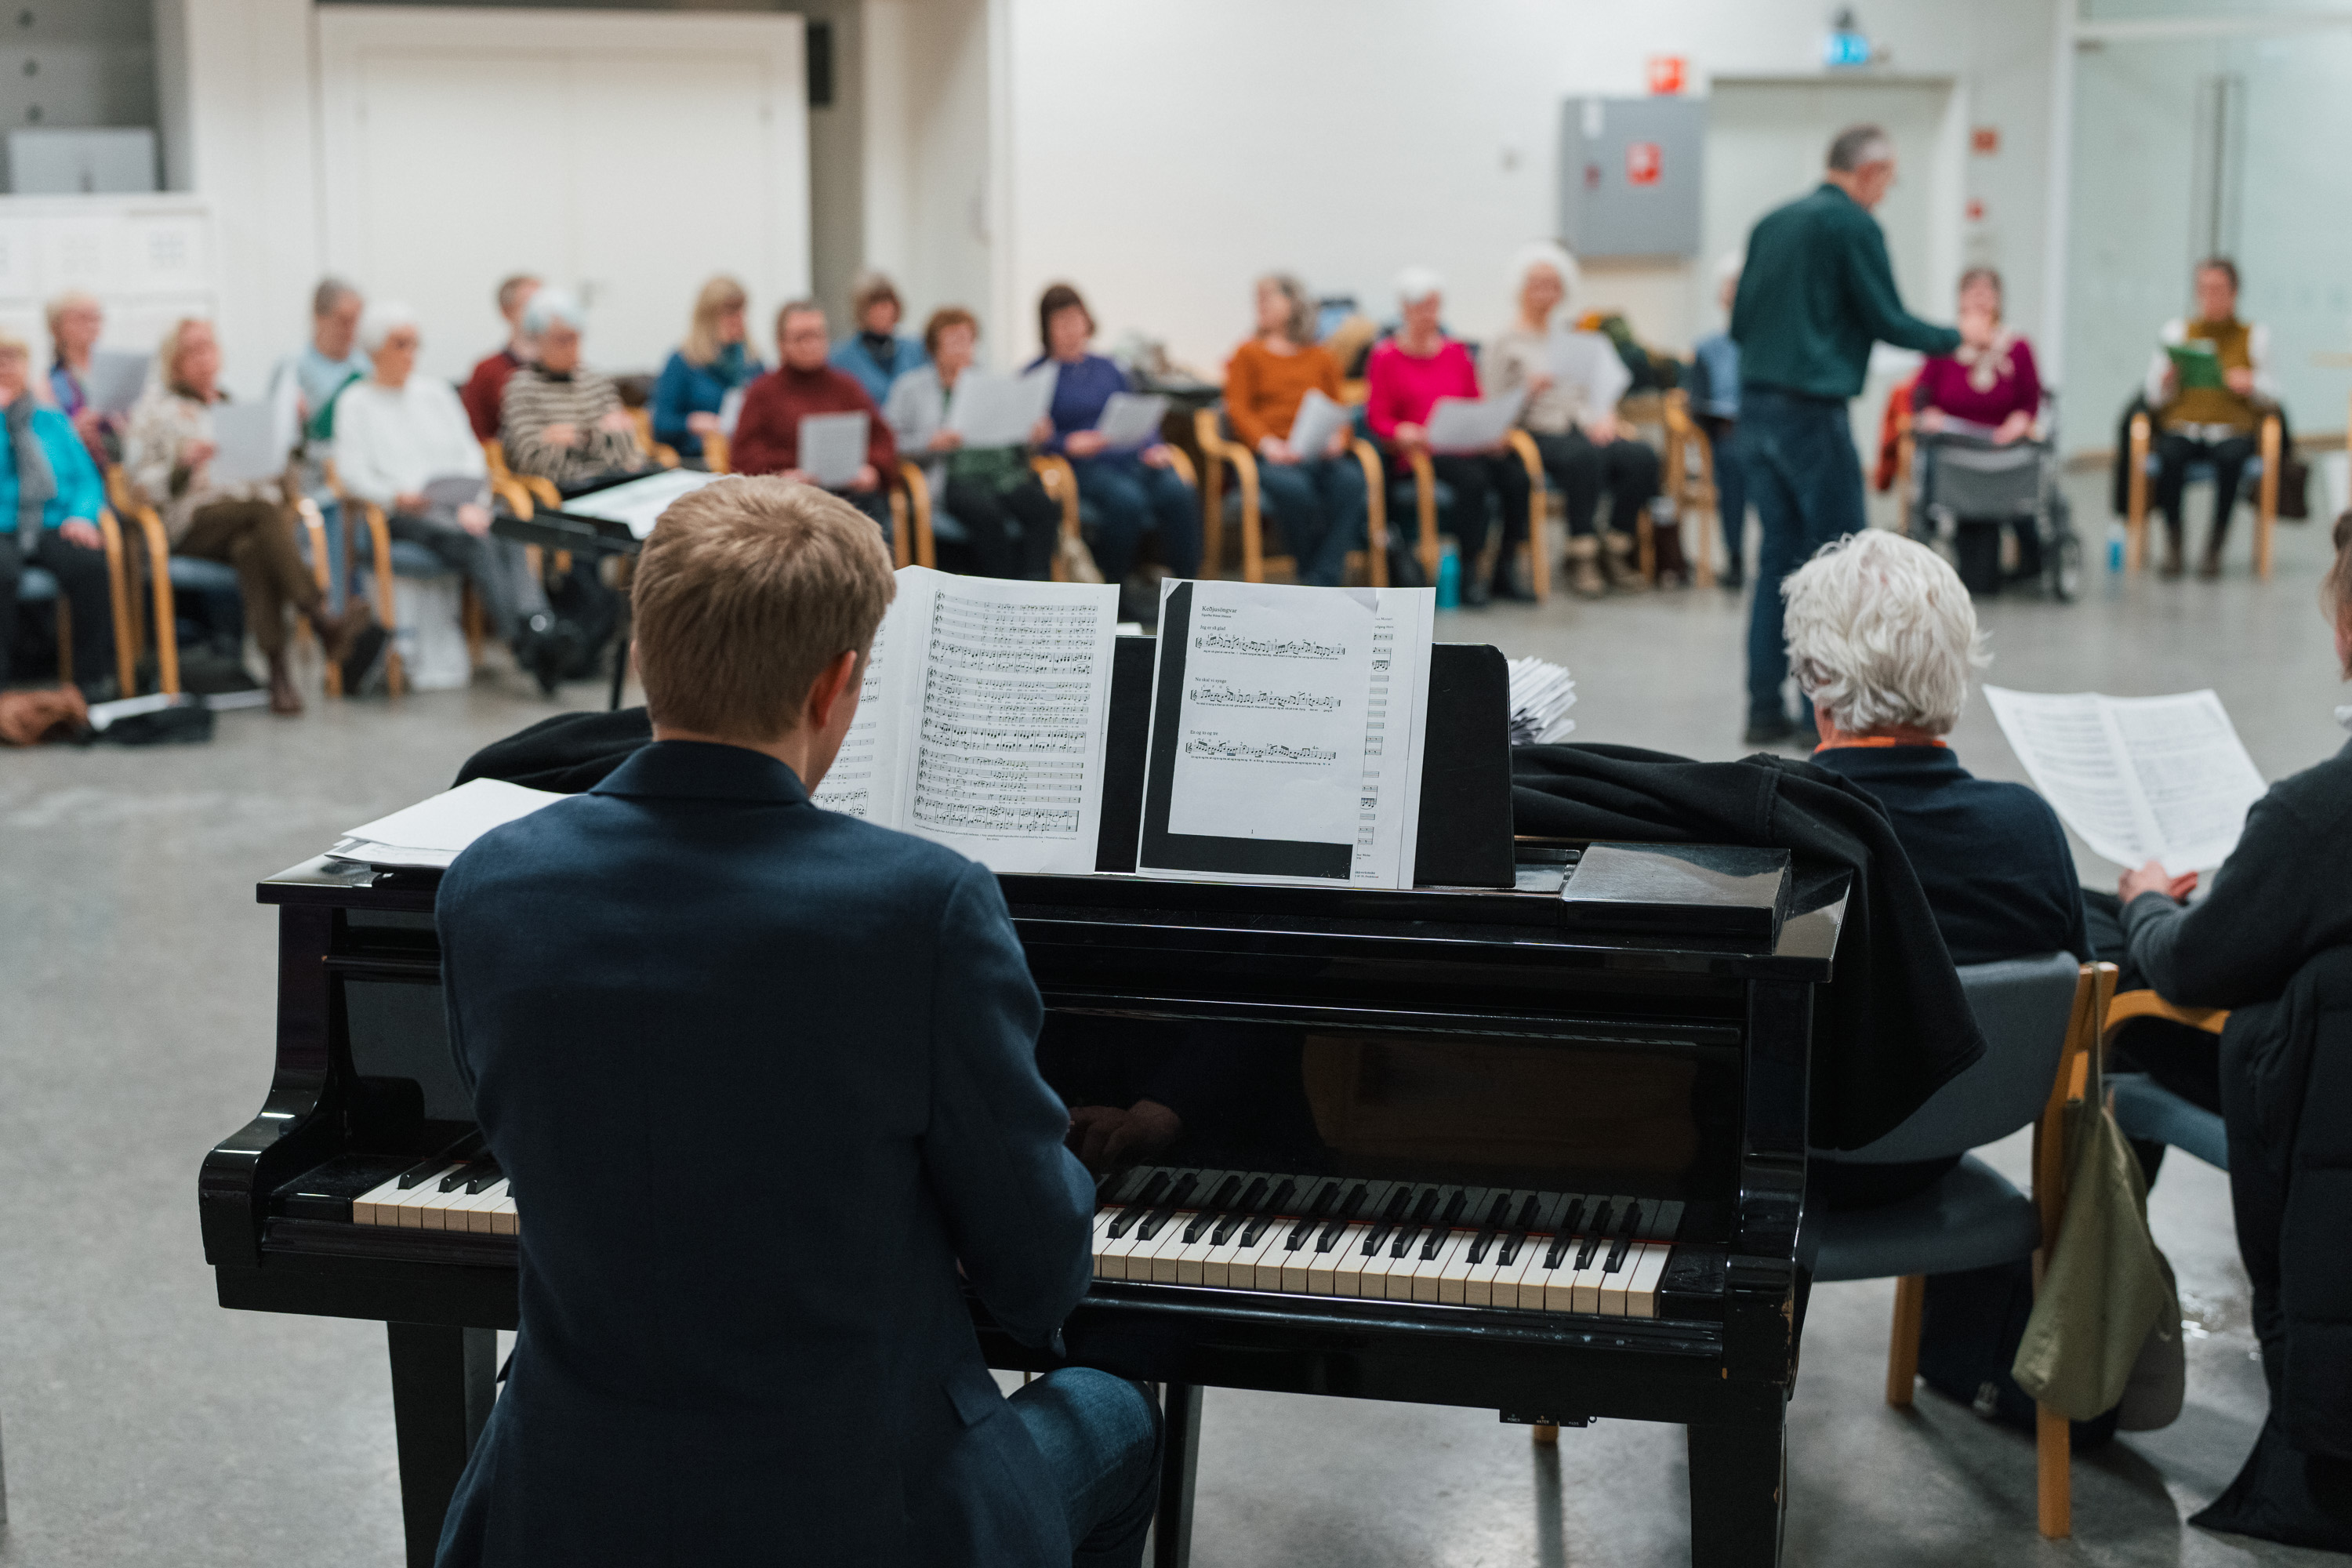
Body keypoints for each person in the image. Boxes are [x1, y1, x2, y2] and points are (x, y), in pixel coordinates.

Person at [431, 477, 1162, 1566]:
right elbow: (1037, 1273)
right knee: (1115, 1410)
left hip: (572, 1501)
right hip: (864, 1515)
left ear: (640, 654)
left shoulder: (489, 887)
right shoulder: (924, 907)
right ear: (837, 686)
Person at [2100, 513, 2352, 1548]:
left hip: (2313, 1086)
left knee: (2122, 1018)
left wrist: (2150, 902)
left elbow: (2194, 967)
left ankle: (2077, 1370)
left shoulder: (2312, 820)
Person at [1781, 529, 2092, 1207]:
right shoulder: (2027, 830)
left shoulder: (1773, 838)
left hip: (1791, 1174)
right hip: (1945, 1158)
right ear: (1955, 669)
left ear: (1815, 681)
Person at [1733, 123, 1960, 746]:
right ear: (1871, 172)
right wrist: (1957, 340)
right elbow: (1887, 317)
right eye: (1888, 180)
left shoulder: (1770, 222)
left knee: (1776, 558)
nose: (1886, 193)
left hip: (1755, 410)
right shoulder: (1855, 225)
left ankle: (1761, 707)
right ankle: (1824, 721)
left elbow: (1740, 321)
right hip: (1813, 413)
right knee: (1840, 566)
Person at [123, 318, 383, 713]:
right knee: (263, 515)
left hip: (245, 520)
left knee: (254, 547)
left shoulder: (234, 407)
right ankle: (320, 615)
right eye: (192, 350)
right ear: (173, 361)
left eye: (208, 348)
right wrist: (183, 464)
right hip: (188, 522)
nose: (203, 358)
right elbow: (137, 485)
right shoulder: (155, 411)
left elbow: (280, 478)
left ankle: (279, 677)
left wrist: (288, 433)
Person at [332, 303, 567, 694]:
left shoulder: (435, 393)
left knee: (505, 524)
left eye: (413, 344)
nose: (409, 354)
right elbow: (352, 475)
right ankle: (528, 640)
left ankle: (537, 625)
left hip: (457, 502)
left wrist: (473, 500)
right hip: (402, 511)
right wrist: (396, 495)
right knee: (476, 539)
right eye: (399, 344)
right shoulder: (355, 402)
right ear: (375, 350)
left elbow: (470, 454)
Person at [1480, 243, 1659, 599]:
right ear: (1522, 288)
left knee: (1641, 457)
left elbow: (1597, 391)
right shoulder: (1504, 341)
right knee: (1583, 458)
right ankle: (1581, 554)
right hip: (1535, 432)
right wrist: (1527, 390)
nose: (1546, 292)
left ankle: (1616, 545)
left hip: (1581, 426)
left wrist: (1605, 417)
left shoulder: (1577, 339)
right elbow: (1492, 407)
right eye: (1538, 283)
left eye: (1553, 284)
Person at [1363, 266, 1531, 607]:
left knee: (1517, 476)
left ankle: (1505, 567)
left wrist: (1490, 429)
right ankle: (1469, 573)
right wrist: (1401, 430)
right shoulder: (1386, 356)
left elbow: (1474, 401)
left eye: (1435, 306)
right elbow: (1377, 416)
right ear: (1406, 309)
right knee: (1473, 481)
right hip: (1421, 452)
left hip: (1466, 443)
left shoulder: (1456, 352)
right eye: (1423, 307)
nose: (1431, 315)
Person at [1030, 282, 1200, 593]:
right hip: (1082, 467)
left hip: (1129, 456)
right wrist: (1066, 443)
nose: (1071, 329)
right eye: (1061, 321)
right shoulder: (1037, 374)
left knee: (1179, 490)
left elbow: (1138, 414)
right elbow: (1033, 439)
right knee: (1127, 501)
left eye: (1076, 319)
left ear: (1087, 321)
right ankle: (1114, 592)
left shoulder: (1109, 368)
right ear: (1047, 328)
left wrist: (1154, 446)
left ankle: (1186, 592)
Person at [884, 307, 1060, 580]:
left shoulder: (991, 383)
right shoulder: (911, 388)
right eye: (952, 340)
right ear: (933, 347)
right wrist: (931, 442)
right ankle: (1002, 594)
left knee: (1043, 508)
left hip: (1002, 475)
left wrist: (1033, 435)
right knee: (988, 514)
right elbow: (889, 441)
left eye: (967, 340)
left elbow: (1014, 439)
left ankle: (1037, 586)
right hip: (953, 479)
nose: (962, 348)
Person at [1221, 273, 1367, 587]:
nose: (1260, 306)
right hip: (1274, 454)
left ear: (1293, 303)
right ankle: (1310, 570)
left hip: (1317, 451)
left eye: (1268, 298)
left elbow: (1339, 409)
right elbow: (1239, 409)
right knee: (1295, 490)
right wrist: (1268, 444)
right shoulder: (1248, 353)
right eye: (1257, 300)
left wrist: (1338, 439)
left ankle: (1322, 576)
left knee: (1351, 481)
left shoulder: (1321, 357)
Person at [1911, 267, 2045, 592]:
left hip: (2002, 443)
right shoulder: (1946, 345)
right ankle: (1927, 544)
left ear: (1999, 300)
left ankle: (2032, 553)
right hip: (1954, 443)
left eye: (1988, 292)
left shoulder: (2017, 347)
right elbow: (1921, 394)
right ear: (1960, 300)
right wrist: (1929, 414)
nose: (1981, 299)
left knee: (2023, 470)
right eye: (1973, 292)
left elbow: (2031, 399)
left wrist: (2019, 421)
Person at [2141, 257, 2273, 580]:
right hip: (2185, 427)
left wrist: (2253, 383)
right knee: (2169, 454)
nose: (2210, 296)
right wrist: (2167, 380)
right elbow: (2151, 397)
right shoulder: (2177, 331)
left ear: (2234, 292)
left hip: (2231, 430)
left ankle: (2214, 546)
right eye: (2204, 289)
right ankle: (2174, 543)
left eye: (2218, 289)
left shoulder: (2255, 335)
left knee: (2232, 460)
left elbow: (2274, 394)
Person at [0, 329, 114, 695]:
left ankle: (89, 685)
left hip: (54, 522)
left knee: (90, 565)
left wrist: (82, 516)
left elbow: (87, 479)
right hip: (4, 526)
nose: (4, 366)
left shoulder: (52, 421)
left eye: (11, 357)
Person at [730, 300, 897, 532]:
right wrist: (780, 477)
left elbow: (882, 439)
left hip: (851, 497)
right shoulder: (762, 393)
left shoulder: (847, 387)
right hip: (787, 505)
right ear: (781, 343)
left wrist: (873, 471)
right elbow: (743, 457)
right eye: (800, 337)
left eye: (817, 336)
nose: (810, 345)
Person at [498, 289, 644, 491]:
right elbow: (530, 461)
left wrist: (574, 437)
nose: (572, 347)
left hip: (614, 483)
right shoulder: (522, 387)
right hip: (563, 493)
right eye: (561, 340)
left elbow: (626, 449)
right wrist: (601, 435)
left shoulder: (596, 380)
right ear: (538, 340)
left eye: (575, 337)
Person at [652, 275, 764, 463]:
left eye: (741, 311)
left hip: (746, 457)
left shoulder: (752, 362)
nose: (738, 319)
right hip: (700, 460)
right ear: (708, 317)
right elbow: (660, 424)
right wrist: (691, 423)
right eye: (730, 312)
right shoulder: (682, 362)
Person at [1689, 256, 1745, 591]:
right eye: (1731, 285)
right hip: (1727, 434)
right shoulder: (1707, 348)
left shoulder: (1772, 345)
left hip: (1769, 429)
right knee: (1734, 464)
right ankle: (1735, 555)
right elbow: (1697, 401)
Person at [828, 270, 929, 407]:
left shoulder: (918, 350)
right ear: (861, 311)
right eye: (874, 306)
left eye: (886, 305)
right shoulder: (840, 358)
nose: (882, 312)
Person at [45, 291, 120, 467]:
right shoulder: (47, 384)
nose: (91, 324)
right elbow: (45, 442)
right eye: (81, 317)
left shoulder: (116, 373)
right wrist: (73, 432)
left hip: (118, 472)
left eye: (96, 317)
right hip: (75, 471)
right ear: (56, 327)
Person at [463, 274, 540, 442]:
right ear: (506, 311)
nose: (539, 314)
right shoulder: (487, 371)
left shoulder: (570, 368)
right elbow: (476, 438)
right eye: (530, 305)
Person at [291, 278, 370, 440]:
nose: (351, 329)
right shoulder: (293, 368)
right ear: (319, 318)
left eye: (356, 320)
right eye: (344, 321)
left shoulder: (368, 366)